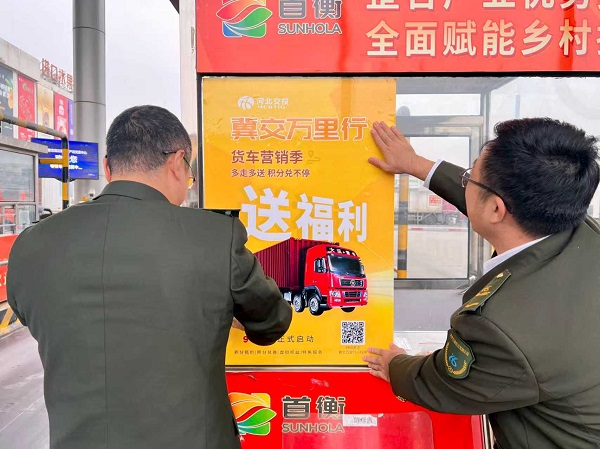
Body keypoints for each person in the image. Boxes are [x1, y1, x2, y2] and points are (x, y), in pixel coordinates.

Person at [7, 105, 292, 449]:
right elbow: (272, 322)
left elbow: (33, 314)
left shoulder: (32, 244)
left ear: (107, 168)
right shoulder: (216, 237)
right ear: (177, 162)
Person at [364, 118, 600, 448]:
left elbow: (444, 384)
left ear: (496, 208)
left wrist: (396, 366)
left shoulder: (502, 327)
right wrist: (416, 164)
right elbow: (496, 201)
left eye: (469, 177)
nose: (465, 182)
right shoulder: (578, 227)